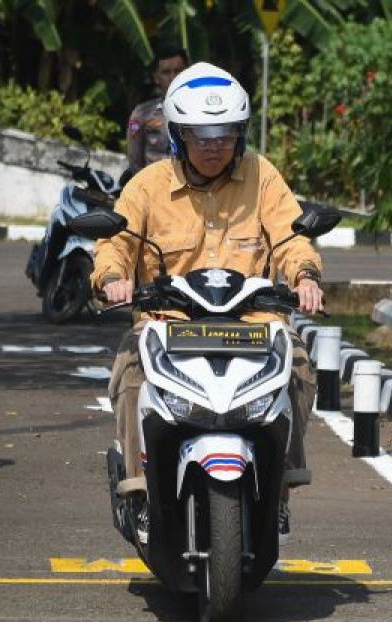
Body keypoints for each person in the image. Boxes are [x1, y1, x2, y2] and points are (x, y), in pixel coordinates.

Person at [93, 62, 324, 538]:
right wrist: (113, 277)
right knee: (130, 373)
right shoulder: (147, 186)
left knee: (298, 366)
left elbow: (292, 236)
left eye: (226, 134)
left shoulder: (262, 176)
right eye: (203, 136)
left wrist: (304, 276)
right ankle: (140, 493)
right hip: (168, 324)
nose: (215, 146)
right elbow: (115, 244)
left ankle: (278, 490)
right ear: (179, 135)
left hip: (253, 322)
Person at [127, 43, 190, 174]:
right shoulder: (141, 114)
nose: (173, 78)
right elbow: (135, 160)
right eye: (166, 72)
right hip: (153, 188)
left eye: (178, 71)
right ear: (156, 78)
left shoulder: (202, 112)